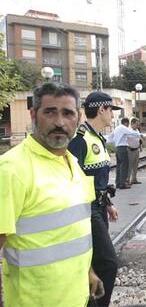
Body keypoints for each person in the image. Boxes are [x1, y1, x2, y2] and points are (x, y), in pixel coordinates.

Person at [0, 83, 104, 307]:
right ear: (33, 115)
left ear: (78, 118)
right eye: (50, 112)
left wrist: (88, 272)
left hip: (77, 296)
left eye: (68, 113)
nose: (59, 122)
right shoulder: (12, 170)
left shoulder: (71, 162)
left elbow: (72, 232)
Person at [68, 91, 120, 307]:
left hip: (99, 206)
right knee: (109, 263)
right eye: (111, 111)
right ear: (102, 110)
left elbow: (97, 179)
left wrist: (108, 203)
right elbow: (74, 180)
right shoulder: (80, 140)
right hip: (87, 210)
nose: (113, 116)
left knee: (97, 261)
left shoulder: (97, 137)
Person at [107, 117, 141, 189]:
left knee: (119, 166)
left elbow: (110, 137)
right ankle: (123, 183)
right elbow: (131, 133)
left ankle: (118, 183)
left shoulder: (116, 128)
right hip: (122, 148)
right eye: (128, 124)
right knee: (124, 166)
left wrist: (115, 142)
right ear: (126, 123)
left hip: (117, 148)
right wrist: (140, 134)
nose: (128, 126)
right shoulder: (123, 128)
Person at [127, 117, 144, 184]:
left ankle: (134, 179)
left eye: (138, 124)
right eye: (137, 124)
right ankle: (128, 180)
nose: (138, 126)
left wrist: (140, 147)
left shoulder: (137, 130)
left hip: (136, 150)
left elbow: (139, 139)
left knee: (135, 166)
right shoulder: (129, 131)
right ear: (132, 124)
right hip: (130, 150)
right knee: (130, 166)